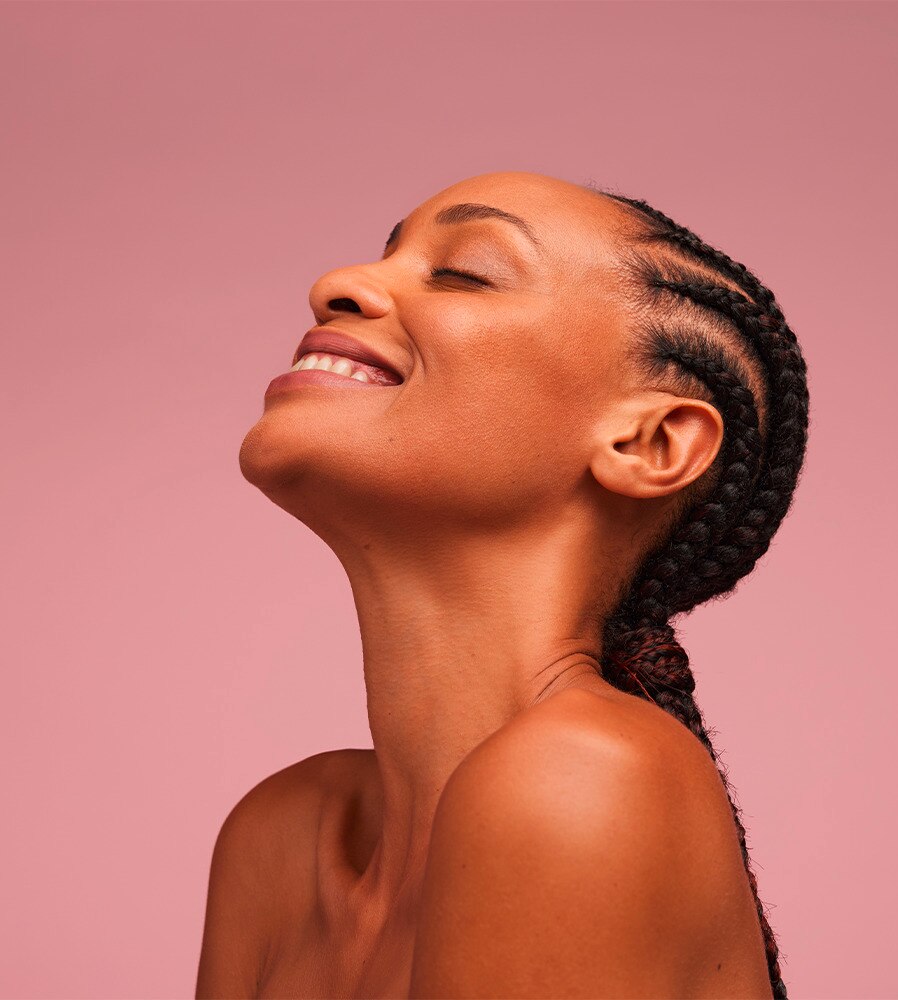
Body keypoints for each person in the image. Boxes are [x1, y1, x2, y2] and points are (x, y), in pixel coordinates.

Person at [196, 170, 809, 999]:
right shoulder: (284, 835)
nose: (335, 284)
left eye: (465, 272)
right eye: (388, 253)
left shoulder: (585, 777)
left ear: (650, 442)